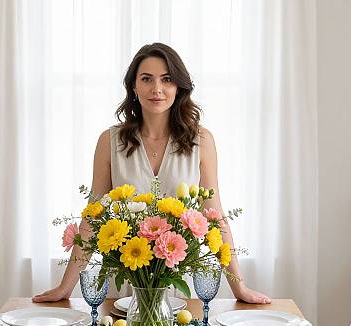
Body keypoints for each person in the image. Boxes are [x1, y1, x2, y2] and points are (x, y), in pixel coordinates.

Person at [33, 42, 270, 304]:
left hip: (180, 290)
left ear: (178, 86)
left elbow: (216, 218)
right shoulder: (109, 142)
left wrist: (240, 288)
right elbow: (93, 217)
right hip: (127, 287)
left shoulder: (201, 141)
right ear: (134, 86)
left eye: (166, 79)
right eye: (146, 79)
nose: (157, 89)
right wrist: (64, 288)